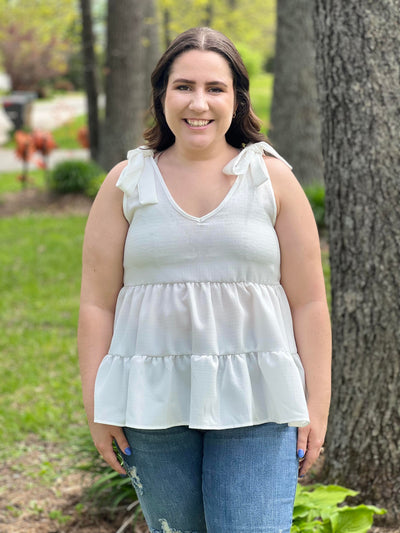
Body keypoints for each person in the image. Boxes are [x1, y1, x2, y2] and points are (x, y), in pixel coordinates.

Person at [78, 27, 331, 533]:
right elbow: (96, 305)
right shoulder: (126, 182)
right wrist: (97, 405)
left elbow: (308, 303)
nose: (199, 103)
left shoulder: (271, 178)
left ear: (237, 98)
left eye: (215, 88)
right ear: (161, 96)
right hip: (152, 404)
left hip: (261, 402)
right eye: (183, 86)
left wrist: (316, 408)